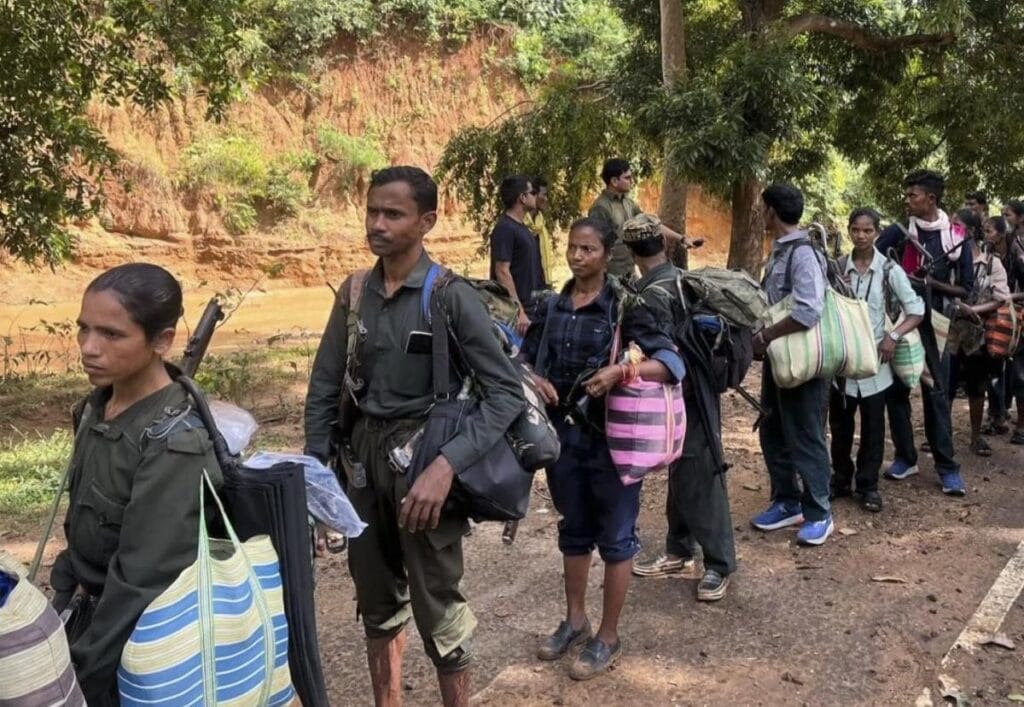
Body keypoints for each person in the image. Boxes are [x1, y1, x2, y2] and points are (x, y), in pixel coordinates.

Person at [304, 166, 525, 707]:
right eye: (372, 211)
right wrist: (315, 476)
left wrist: (445, 467)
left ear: (427, 222)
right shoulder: (354, 293)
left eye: (393, 214)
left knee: (440, 610)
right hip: (362, 467)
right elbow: (324, 386)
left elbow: (505, 394)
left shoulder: (450, 296)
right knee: (376, 604)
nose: (377, 224)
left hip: (424, 465)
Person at [48, 263, 223, 706]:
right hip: (86, 620)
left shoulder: (175, 442)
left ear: (161, 341)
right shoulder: (95, 408)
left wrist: (78, 676)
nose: (89, 348)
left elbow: (141, 582)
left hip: (135, 651)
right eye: (83, 329)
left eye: (111, 334)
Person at [519, 217, 684, 680]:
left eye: (588, 249)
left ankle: (608, 636)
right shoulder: (552, 306)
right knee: (573, 530)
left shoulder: (626, 307)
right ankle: (575, 620)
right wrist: (534, 377)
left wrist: (621, 372)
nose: (578, 256)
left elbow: (671, 363)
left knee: (616, 537)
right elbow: (520, 358)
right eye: (573, 247)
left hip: (615, 443)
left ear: (608, 255)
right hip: (563, 439)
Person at [623, 215, 736, 601]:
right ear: (664, 244)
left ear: (631, 251)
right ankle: (679, 549)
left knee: (700, 471)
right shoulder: (679, 279)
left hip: (684, 392)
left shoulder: (651, 294)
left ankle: (719, 564)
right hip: (694, 388)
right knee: (683, 467)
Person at [875, 170, 972, 496]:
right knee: (896, 390)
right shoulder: (898, 233)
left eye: (912, 195)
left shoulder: (957, 237)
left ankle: (947, 467)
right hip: (900, 321)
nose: (907, 200)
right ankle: (906, 457)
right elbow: (873, 262)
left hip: (937, 324)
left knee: (936, 392)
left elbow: (966, 289)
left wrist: (931, 284)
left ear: (931, 199)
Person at [750, 184, 833, 545]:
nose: (761, 214)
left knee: (805, 434)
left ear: (772, 210)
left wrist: (767, 335)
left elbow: (808, 310)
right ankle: (786, 501)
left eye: (763, 208)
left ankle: (819, 512)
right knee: (773, 429)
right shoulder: (782, 249)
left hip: (802, 361)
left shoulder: (803, 253)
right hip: (780, 359)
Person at [829, 209, 924, 512]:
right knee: (840, 427)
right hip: (843, 363)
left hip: (876, 364)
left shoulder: (889, 270)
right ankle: (840, 479)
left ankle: (868, 486)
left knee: (873, 429)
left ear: (877, 233)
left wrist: (892, 336)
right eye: (856, 230)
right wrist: (836, 287)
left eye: (867, 230)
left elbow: (916, 310)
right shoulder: (837, 267)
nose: (861, 236)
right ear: (849, 231)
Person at [950, 209, 1011, 456]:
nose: (952, 231)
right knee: (947, 384)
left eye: (957, 227)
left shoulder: (991, 263)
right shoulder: (950, 258)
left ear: (971, 231)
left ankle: (976, 437)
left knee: (976, 386)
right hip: (951, 331)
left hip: (978, 334)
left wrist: (972, 310)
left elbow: (1001, 298)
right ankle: (941, 436)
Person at [588, 158, 699, 281]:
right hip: (609, 278)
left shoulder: (629, 203)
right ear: (614, 181)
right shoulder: (600, 208)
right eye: (627, 178)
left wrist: (682, 239)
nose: (632, 181)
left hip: (629, 275)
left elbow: (652, 225)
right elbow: (592, 245)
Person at [490, 175, 545, 336]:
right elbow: (502, 271)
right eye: (532, 192)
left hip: (531, 309)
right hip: (517, 316)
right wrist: (519, 311)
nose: (536, 196)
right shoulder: (505, 229)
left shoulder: (522, 228)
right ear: (522, 197)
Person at [982, 216, 1013, 435]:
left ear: (1001, 234)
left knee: (1001, 370)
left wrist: (1009, 298)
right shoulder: (987, 255)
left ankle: (999, 415)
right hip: (993, 316)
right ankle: (997, 413)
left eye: (989, 231)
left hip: (1008, 318)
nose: (986, 235)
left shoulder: (1013, 256)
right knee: (994, 368)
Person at [524, 176, 559, 285]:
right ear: (534, 195)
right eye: (544, 195)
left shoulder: (540, 224)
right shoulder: (519, 225)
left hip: (540, 284)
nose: (546, 199)